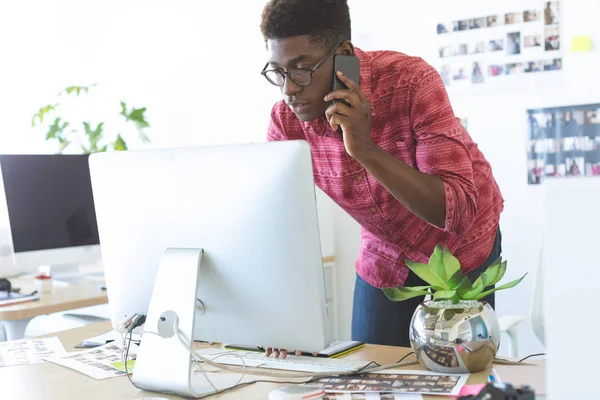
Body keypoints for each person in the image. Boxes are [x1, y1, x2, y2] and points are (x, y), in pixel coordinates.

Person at [259, 0, 504, 357]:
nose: (288, 89)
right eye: (278, 72)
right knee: (373, 371)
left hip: (463, 245)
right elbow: (280, 225)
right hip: (385, 252)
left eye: (301, 70)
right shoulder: (286, 122)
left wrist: (365, 149)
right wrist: (287, 318)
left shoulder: (411, 82)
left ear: (343, 54)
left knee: (455, 376)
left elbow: (457, 209)